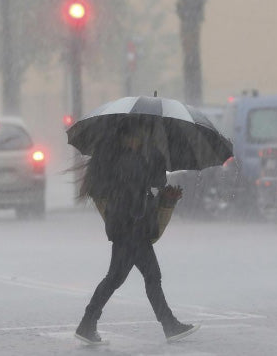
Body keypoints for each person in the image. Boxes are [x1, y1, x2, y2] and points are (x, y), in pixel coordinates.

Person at [74, 120, 200, 345]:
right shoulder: (130, 161)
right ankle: (169, 325)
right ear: (127, 138)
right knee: (145, 277)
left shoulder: (122, 160)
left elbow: (145, 188)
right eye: (139, 136)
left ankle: (88, 323)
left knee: (120, 278)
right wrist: (154, 156)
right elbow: (153, 182)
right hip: (132, 229)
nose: (140, 139)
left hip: (128, 228)